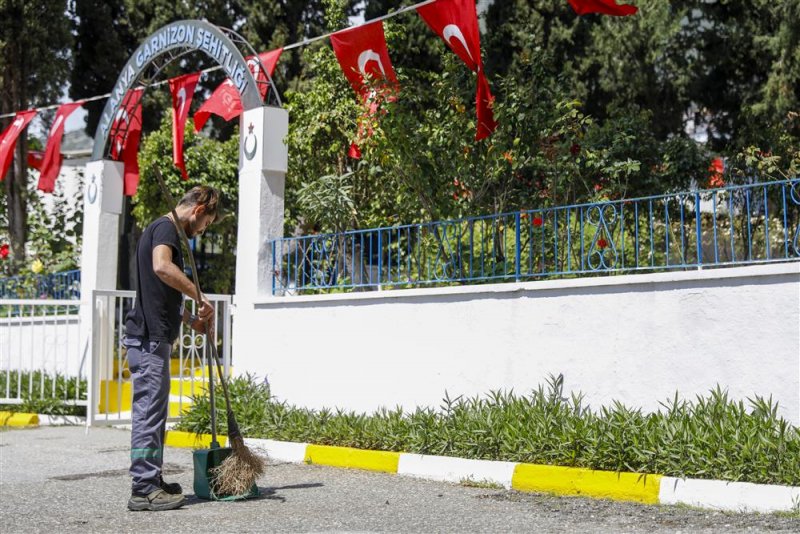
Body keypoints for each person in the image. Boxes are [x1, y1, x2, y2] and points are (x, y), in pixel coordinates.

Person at [123, 185, 220, 511]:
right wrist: (200, 295)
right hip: (149, 341)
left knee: (154, 415)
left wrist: (193, 320)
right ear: (199, 208)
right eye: (206, 223)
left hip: (152, 338)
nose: (202, 230)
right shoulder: (166, 228)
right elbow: (162, 268)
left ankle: (151, 478)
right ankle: (144, 489)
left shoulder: (159, 228)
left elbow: (163, 295)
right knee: (149, 415)